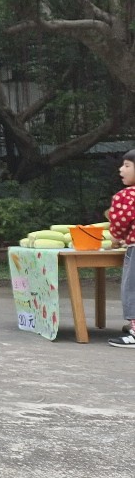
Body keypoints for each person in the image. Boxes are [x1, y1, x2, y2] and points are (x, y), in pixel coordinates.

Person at [108, 149, 135, 348]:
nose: (121, 169)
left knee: (132, 289)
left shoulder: (126, 196)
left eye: (127, 165)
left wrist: (116, 237)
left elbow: (119, 223)